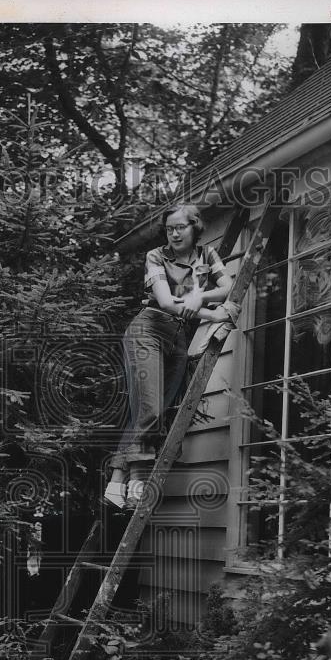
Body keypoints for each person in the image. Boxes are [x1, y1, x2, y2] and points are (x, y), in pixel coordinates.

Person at [103, 203, 240, 510]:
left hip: (178, 338)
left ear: (195, 228)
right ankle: (137, 482)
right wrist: (213, 315)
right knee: (149, 408)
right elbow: (165, 302)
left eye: (181, 227)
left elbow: (227, 286)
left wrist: (199, 296)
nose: (175, 233)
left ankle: (114, 483)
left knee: (152, 411)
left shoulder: (208, 255)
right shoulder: (156, 256)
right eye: (170, 228)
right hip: (148, 330)